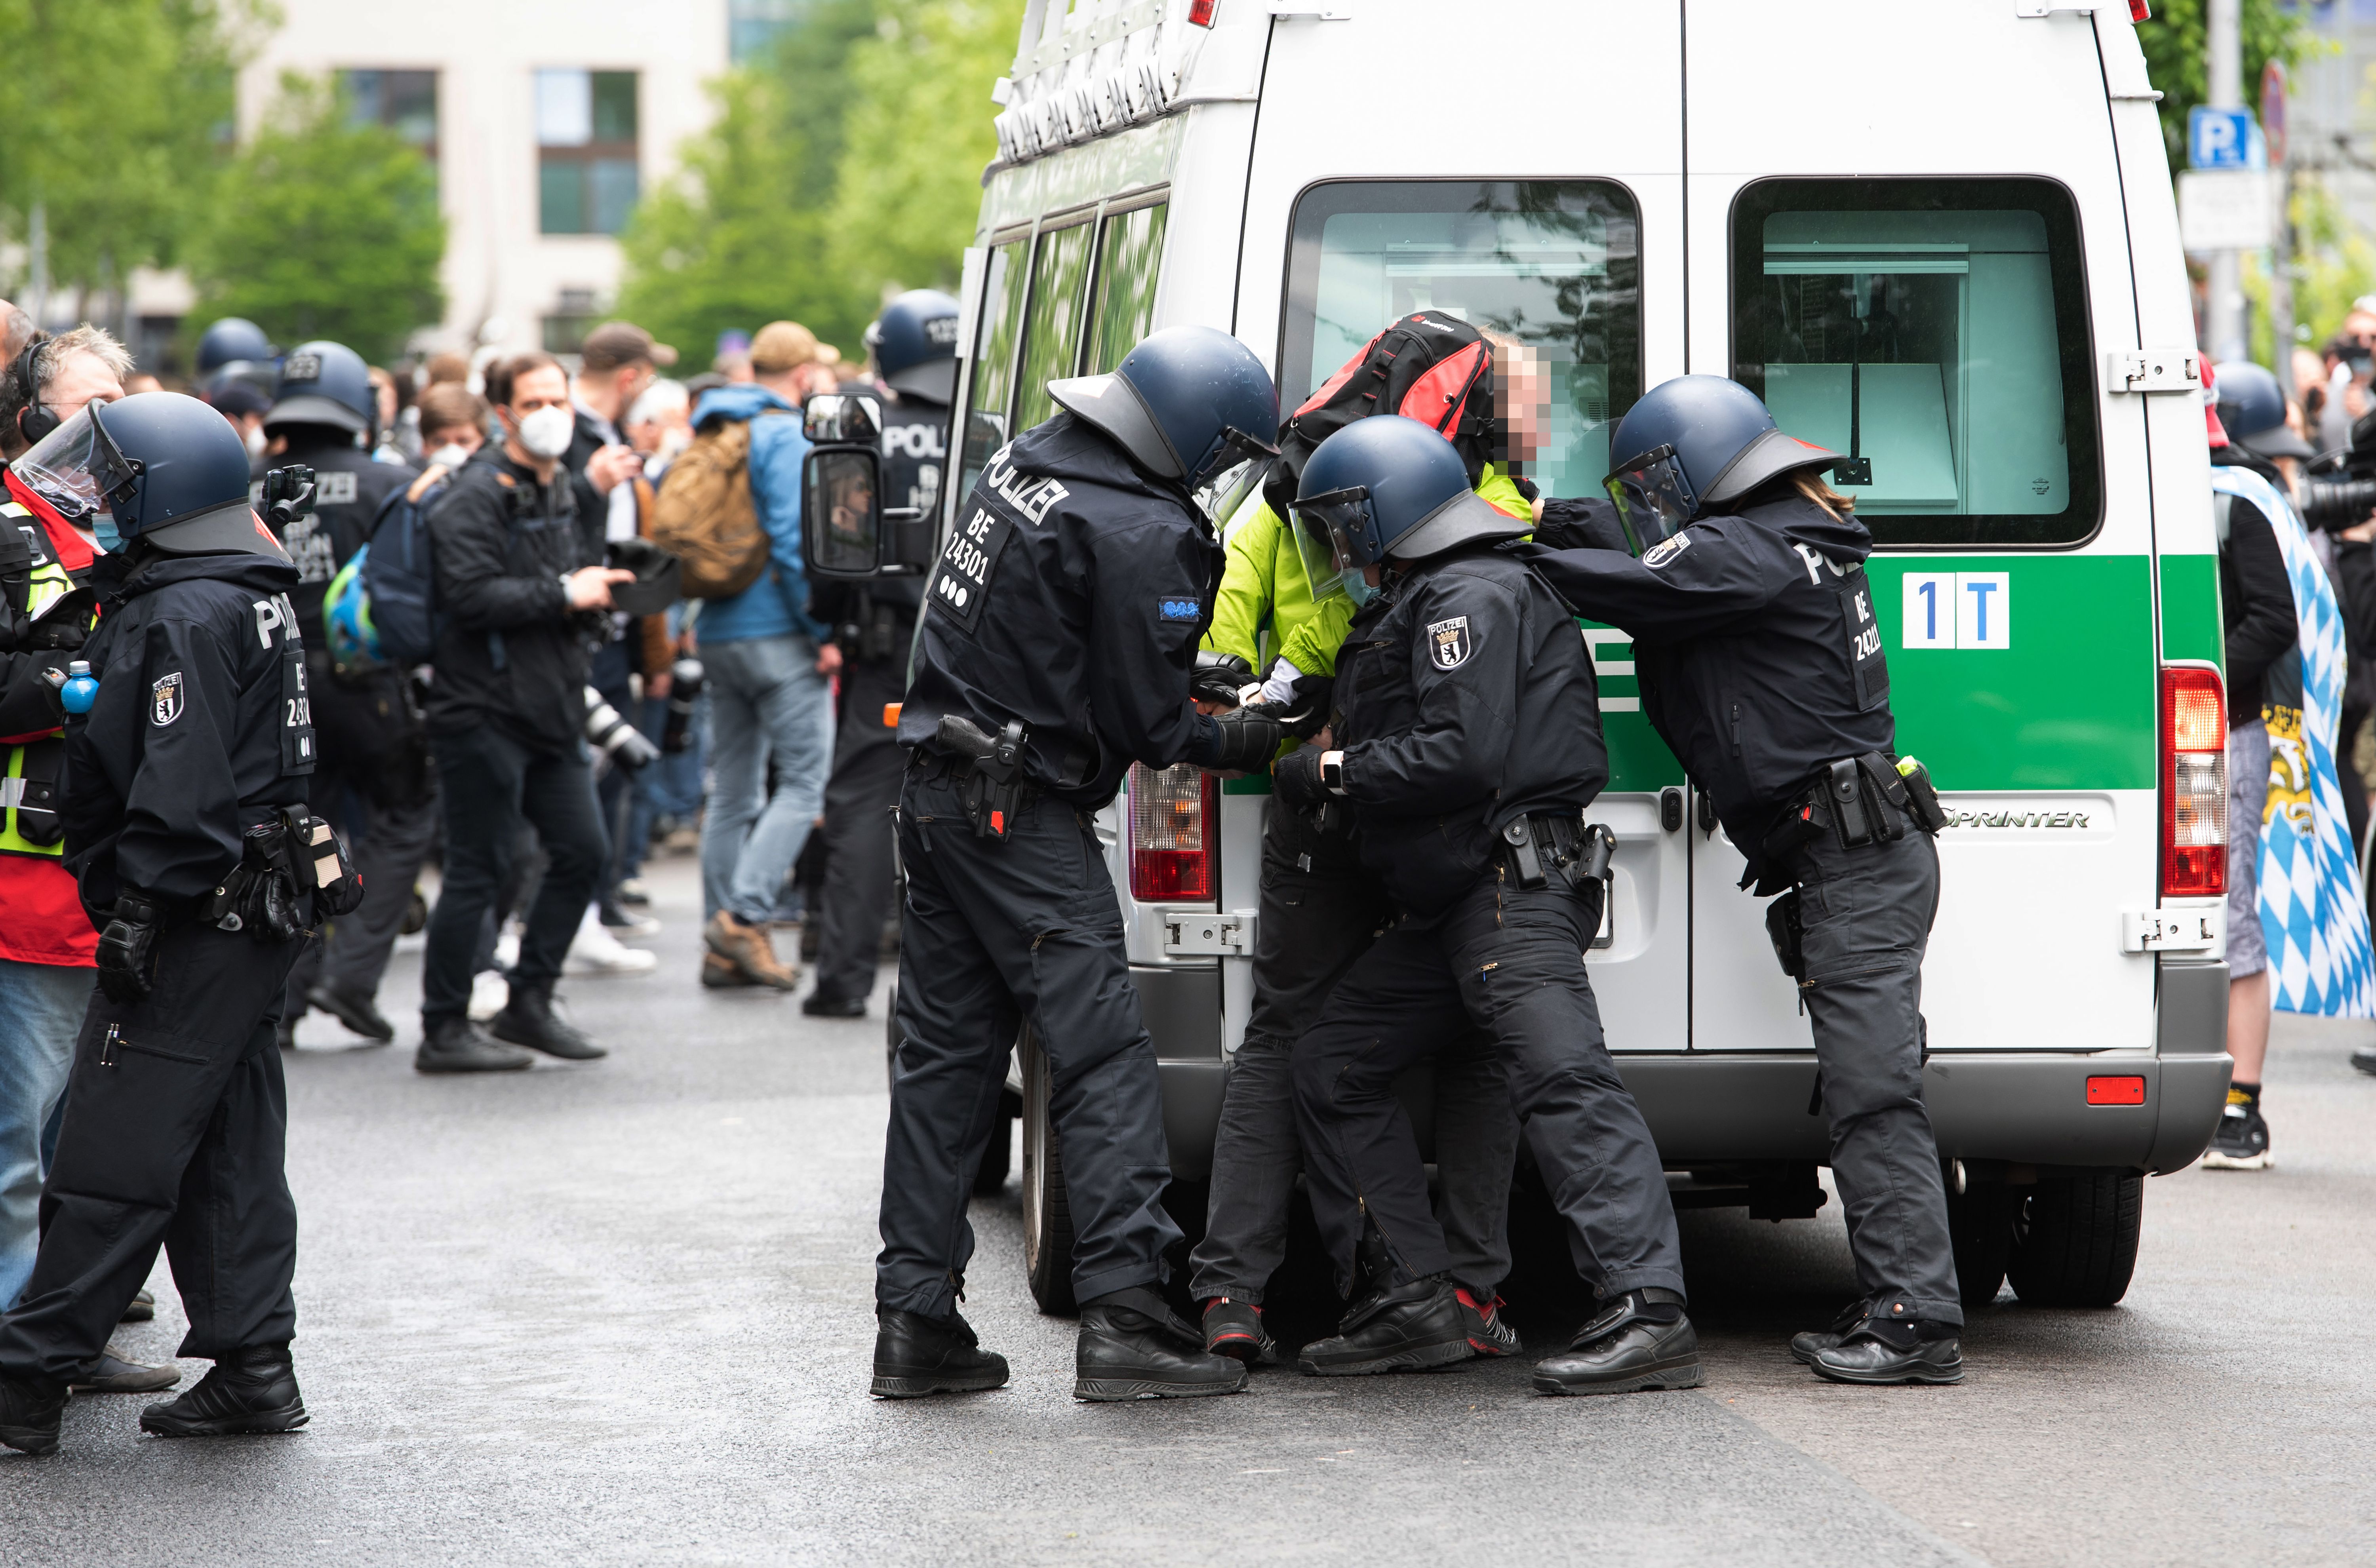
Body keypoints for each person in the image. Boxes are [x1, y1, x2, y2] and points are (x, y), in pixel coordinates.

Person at [1514, 375, 1961, 1386]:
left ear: (1703, 469)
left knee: (1873, 1098)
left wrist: (1502, 545)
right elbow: (1637, 539)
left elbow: (1636, 579)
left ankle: (1915, 1320)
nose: (1648, 503)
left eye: (1658, 481)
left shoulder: (1743, 551)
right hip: (1856, 856)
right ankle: (1906, 1301)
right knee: (1870, 1092)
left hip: (1857, 861)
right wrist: (1536, 510)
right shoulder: (1784, 532)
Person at [874, 325, 1287, 1402]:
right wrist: (1244, 731)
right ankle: (1128, 1323)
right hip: (1025, 823)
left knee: (944, 1066)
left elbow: (1048, 627)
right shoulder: (1148, 529)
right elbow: (1153, 728)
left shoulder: (1028, 464)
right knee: (1102, 1059)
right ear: (1200, 442)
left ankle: (915, 1324)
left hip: (937, 796)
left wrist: (1176, 661)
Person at [1264, 415, 1693, 1394]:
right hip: (1463, 899)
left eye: (1344, 527)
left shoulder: (1472, 592)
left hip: (1511, 891)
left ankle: (1650, 1308)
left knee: (1562, 1082)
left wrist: (1330, 769)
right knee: (1336, 1062)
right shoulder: (1433, 592)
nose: (1338, 551)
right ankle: (1416, 1300)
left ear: (1391, 514)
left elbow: (1460, 754)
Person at [0, 393, 347, 1454]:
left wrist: (142, 908)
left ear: (164, 494)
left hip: (196, 912)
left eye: (115, 488)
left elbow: (182, 790)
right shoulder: (240, 586)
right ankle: (252, 1364)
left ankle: (23, 1382)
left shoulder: (179, 612)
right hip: (251, 909)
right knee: (230, 1146)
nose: (99, 506)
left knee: (114, 1151)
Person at [1189, 327, 1540, 1366]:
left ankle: (1232, 1296)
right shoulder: (1494, 503)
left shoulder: (1279, 496)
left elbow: (1220, 644)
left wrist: (1282, 696)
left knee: (1292, 1034)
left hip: (1321, 798)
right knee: (1478, 1042)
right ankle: (1470, 1295)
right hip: (1449, 811)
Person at [0, 330, 178, 1397]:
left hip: (106, 885)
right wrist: (78, 679)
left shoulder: (133, 536)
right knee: (17, 1147)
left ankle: (60, 1329)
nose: (120, 427)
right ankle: (24, 1343)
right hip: (25, 889)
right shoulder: (12, 538)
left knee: (80, 1145)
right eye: (94, 404)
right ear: (36, 418)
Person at [412, 352, 634, 1073]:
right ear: (502, 413)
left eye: (558, 400)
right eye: (533, 402)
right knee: (481, 869)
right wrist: (567, 594)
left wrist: (592, 592)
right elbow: (470, 596)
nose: (550, 415)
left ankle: (529, 1001)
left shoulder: (562, 486)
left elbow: (561, 579)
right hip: (481, 710)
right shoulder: (472, 494)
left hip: (552, 706)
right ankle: (443, 1028)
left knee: (584, 853)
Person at [248, 341, 426, 1051]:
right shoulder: (393, 484)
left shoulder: (252, 482)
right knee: (405, 816)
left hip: (278, 685)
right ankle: (351, 980)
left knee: (293, 833)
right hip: (368, 684)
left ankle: (287, 1001)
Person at [803, 290, 958, 1018]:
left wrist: (830, 625)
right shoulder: (987, 424)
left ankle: (842, 982)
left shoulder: (864, 427)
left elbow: (833, 555)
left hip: (887, 653)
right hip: (972, 653)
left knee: (864, 808)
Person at [687, 320, 842, 991]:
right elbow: (790, 536)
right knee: (804, 781)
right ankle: (742, 919)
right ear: (805, 375)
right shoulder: (782, 432)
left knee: (734, 791)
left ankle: (721, 944)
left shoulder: (720, 426)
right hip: (777, 636)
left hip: (719, 629)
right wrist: (822, 629)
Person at [2205, 362, 2326, 1166]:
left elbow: (2275, 621)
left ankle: (2242, 1109)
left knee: (2234, 915)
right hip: (2190, 737)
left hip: (2231, 738)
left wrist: (2197, 669)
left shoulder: (2236, 498)